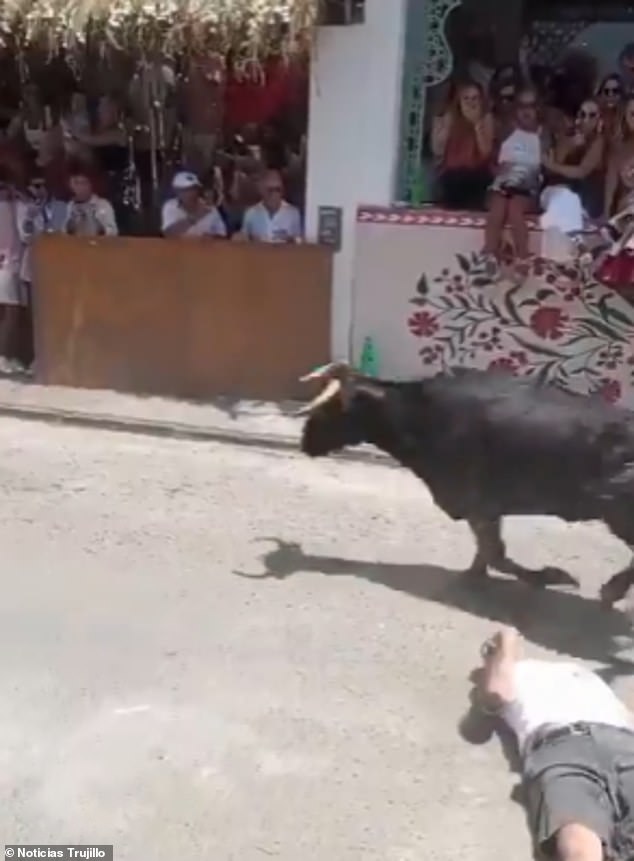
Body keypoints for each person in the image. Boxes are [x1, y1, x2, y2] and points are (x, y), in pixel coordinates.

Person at [469, 626, 634, 861]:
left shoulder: (588, 678)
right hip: (563, 745)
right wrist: (506, 641)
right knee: (579, 844)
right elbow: (496, 694)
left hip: (623, 743)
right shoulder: (515, 673)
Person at [482, 88, 542, 280]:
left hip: (526, 187)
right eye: (522, 106)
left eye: (531, 106)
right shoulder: (506, 132)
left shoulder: (543, 136)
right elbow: (491, 159)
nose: (527, 111)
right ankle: (490, 255)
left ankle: (523, 257)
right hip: (503, 182)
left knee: (515, 210)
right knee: (497, 210)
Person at [431, 81, 494, 210]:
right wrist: (446, 127)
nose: (471, 102)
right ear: (458, 101)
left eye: (475, 98)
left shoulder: (486, 118)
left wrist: (477, 125)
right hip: (451, 175)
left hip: (477, 174)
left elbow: (486, 152)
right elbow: (437, 150)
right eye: (466, 98)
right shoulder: (446, 117)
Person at [542, 98, 605, 220]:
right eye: (582, 114)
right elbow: (550, 171)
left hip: (585, 196)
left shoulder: (599, 141)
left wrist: (553, 166)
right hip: (556, 190)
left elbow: (582, 171)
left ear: (599, 119)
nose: (586, 119)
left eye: (592, 115)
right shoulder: (566, 136)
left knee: (569, 203)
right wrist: (568, 146)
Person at [237, 169, 302, 243]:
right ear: (261, 190)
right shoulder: (251, 213)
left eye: (278, 190)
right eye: (270, 190)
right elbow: (243, 240)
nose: (274, 194)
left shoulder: (293, 213)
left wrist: (291, 240)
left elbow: (299, 242)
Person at [161, 170, 227, 238]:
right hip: (178, 248)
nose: (190, 193)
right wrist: (195, 217)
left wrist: (212, 238)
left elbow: (223, 235)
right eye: (184, 190)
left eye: (193, 189)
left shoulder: (209, 207)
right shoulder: (170, 206)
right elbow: (168, 234)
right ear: (176, 191)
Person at [64, 163, 118, 237]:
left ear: (91, 185)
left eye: (83, 183)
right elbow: (62, 233)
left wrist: (100, 228)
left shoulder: (103, 205)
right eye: (76, 183)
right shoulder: (70, 206)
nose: (80, 187)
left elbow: (113, 233)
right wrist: (70, 226)